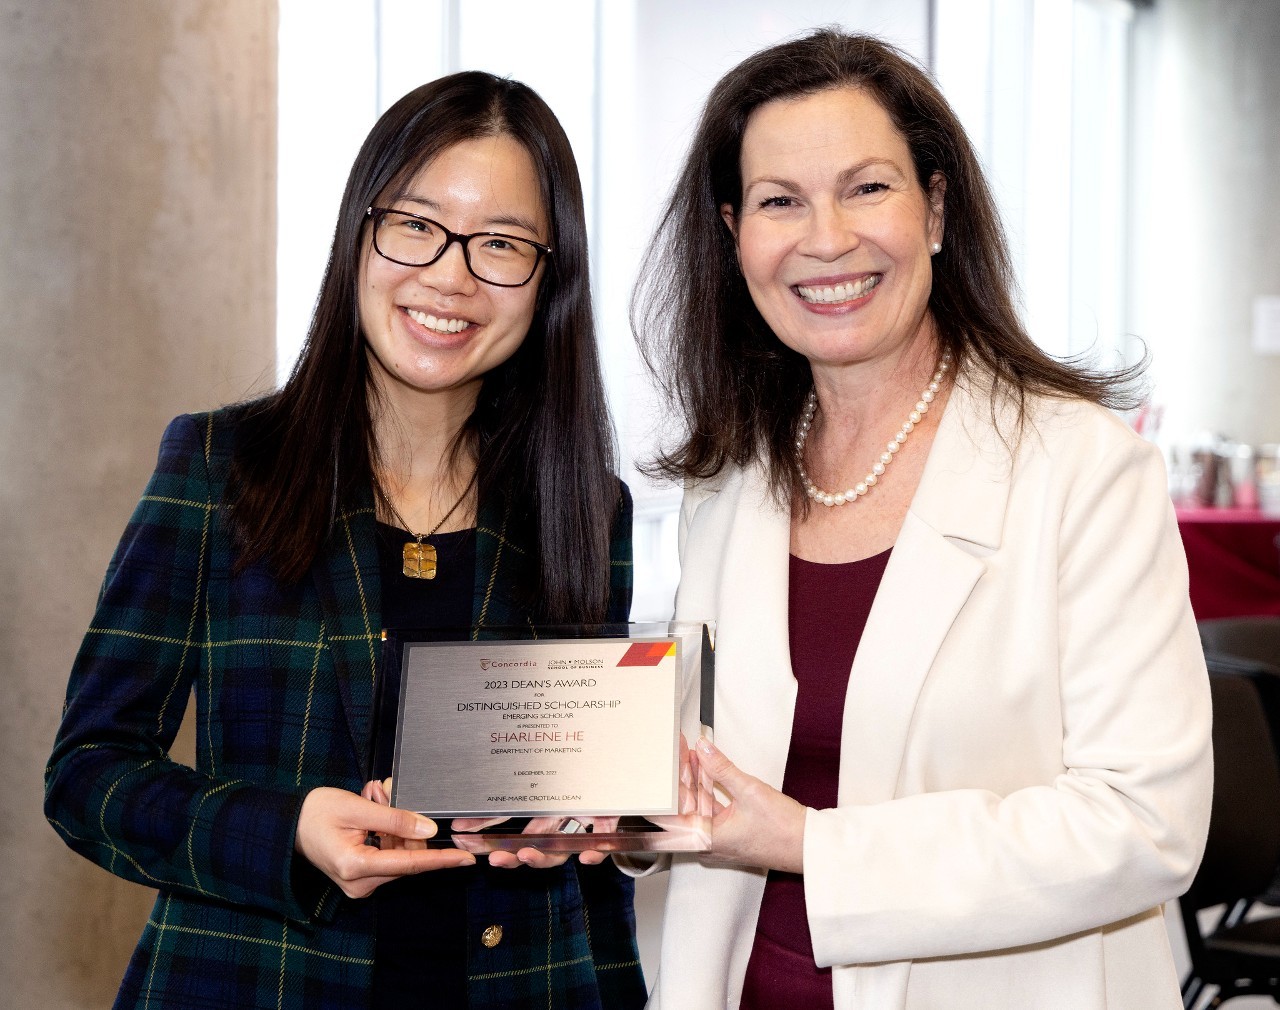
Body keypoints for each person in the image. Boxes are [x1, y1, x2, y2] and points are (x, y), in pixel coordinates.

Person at [630, 30, 1212, 1010]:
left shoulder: (1080, 468)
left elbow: (1144, 820)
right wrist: (589, 800)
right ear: (734, 236)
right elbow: (714, 777)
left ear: (934, 209)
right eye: (778, 200)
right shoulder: (727, 483)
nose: (825, 237)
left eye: (866, 188)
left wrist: (809, 844)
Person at [44, 71, 645, 1010]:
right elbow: (88, 775)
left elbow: (587, 819)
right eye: (416, 224)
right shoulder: (220, 467)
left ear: (548, 279)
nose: (450, 276)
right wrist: (285, 830)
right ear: (360, 233)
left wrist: (590, 840)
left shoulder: (584, 508)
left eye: (500, 245)